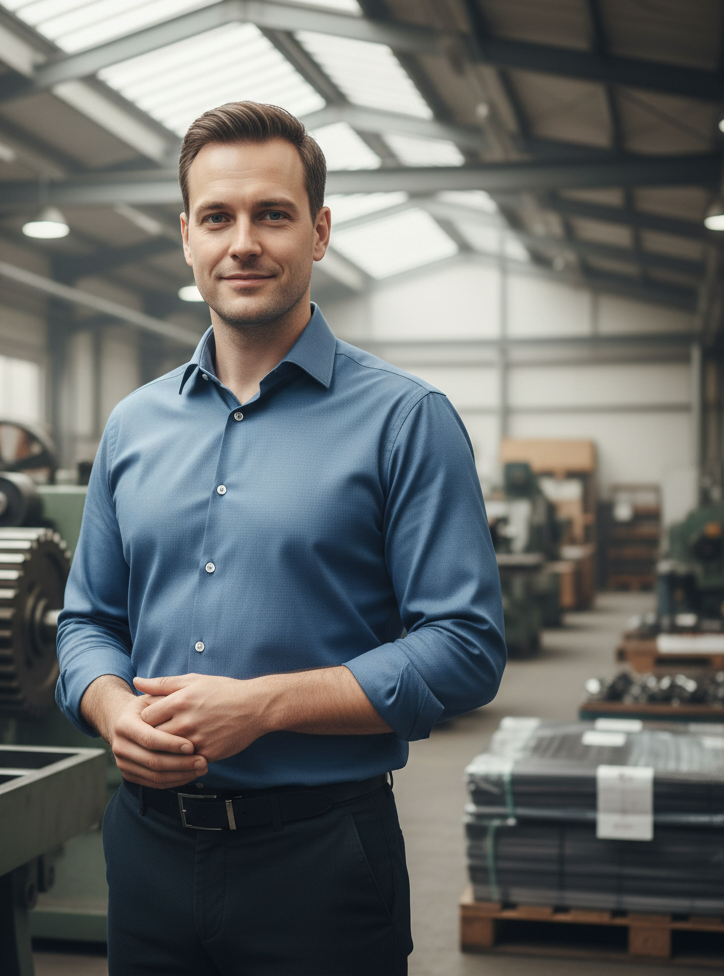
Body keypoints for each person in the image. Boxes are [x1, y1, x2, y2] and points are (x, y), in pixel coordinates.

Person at [55, 101, 505, 975]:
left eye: (273, 214)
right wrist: (112, 711)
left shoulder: (405, 421)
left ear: (320, 230)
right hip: (145, 853)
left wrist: (262, 706)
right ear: (186, 238)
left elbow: (466, 647)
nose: (244, 243)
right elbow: (84, 624)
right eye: (218, 218)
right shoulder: (133, 425)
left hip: (320, 861)